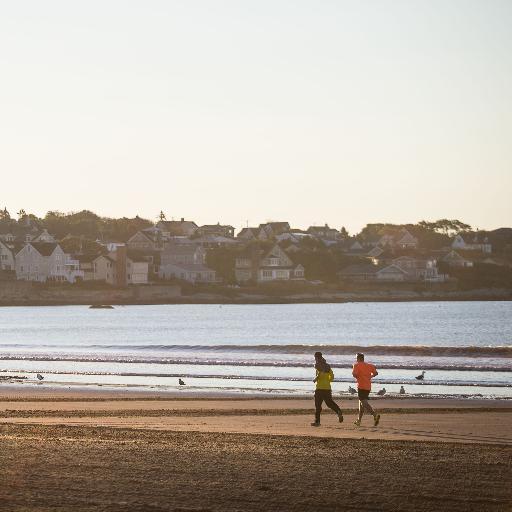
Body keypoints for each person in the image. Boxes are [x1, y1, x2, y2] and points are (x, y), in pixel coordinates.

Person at [311, 351, 343, 427]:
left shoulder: (318, 365)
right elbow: (332, 378)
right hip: (327, 388)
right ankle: (338, 411)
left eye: (315, 357)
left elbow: (319, 373)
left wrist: (317, 378)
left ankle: (317, 421)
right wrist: (327, 379)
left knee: (318, 406)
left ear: (316, 357)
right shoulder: (328, 366)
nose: (315, 359)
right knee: (329, 403)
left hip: (319, 388)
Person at [352, 353, 380, 427]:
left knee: (363, 403)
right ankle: (359, 420)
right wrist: (370, 376)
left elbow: (354, 374)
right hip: (368, 387)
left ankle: (375, 415)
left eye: (356, 358)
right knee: (361, 404)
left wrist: (358, 376)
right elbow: (376, 373)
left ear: (358, 358)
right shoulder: (369, 365)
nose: (356, 360)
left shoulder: (356, 365)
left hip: (361, 386)